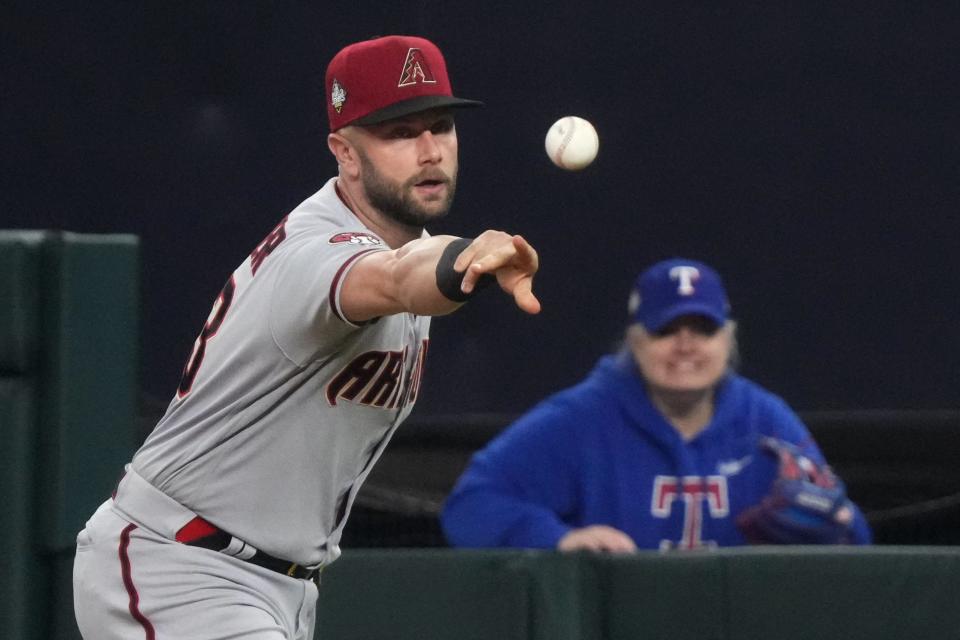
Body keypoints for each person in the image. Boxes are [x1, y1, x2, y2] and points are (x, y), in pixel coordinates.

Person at [73, 35, 540, 639]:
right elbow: (398, 279)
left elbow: (409, 264)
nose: (430, 151)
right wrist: (465, 258)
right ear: (344, 152)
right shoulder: (313, 252)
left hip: (272, 586)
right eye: (400, 132)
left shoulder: (402, 237)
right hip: (179, 565)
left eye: (442, 126)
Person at [441, 258, 871, 552]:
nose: (685, 347)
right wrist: (556, 538)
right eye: (667, 330)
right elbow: (470, 506)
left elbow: (855, 537)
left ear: (728, 339)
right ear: (635, 339)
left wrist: (839, 528)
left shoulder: (766, 420)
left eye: (702, 329)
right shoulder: (582, 419)